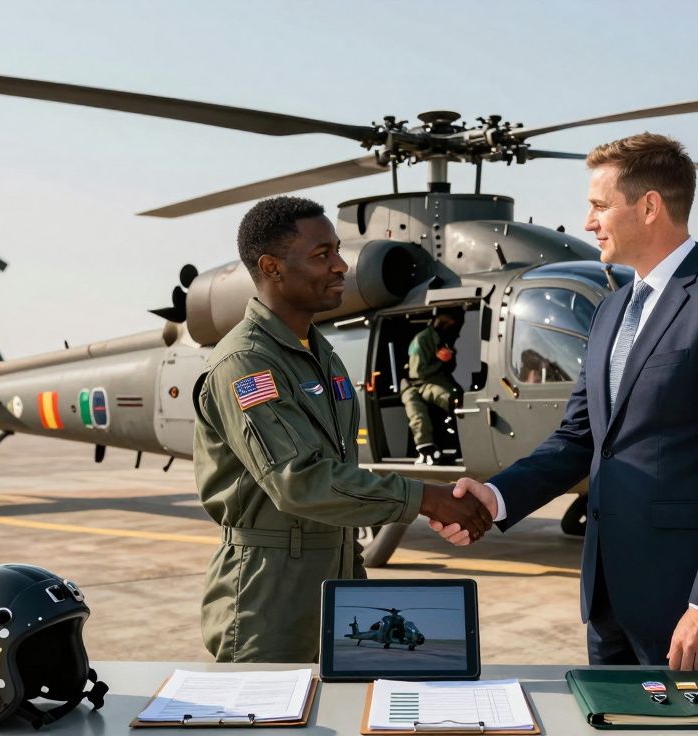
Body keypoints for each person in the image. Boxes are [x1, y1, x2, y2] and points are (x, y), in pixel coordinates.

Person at [433, 133, 698, 670]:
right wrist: (495, 498)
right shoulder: (613, 309)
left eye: (599, 206)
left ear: (649, 207)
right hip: (608, 600)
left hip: (687, 604)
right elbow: (582, 437)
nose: (588, 222)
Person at [192, 196, 493, 662]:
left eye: (337, 250)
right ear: (271, 267)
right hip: (272, 591)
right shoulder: (247, 362)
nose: (341, 266)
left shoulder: (318, 351)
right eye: (322, 255)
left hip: (338, 570)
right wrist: (424, 497)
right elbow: (300, 480)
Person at [401, 308, 464, 465]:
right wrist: (440, 361)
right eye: (448, 320)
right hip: (418, 384)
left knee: (454, 399)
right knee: (419, 415)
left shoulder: (444, 338)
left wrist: (449, 359)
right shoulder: (422, 340)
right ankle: (427, 449)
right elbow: (418, 373)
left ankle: (459, 442)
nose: (451, 324)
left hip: (434, 381)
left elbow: (450, 368)